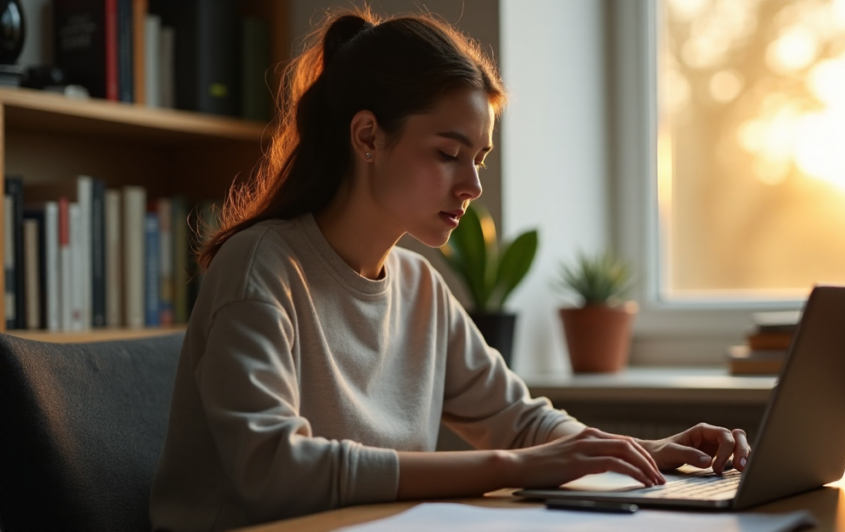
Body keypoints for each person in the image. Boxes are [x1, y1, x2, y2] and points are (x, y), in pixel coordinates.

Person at [149, 7, 751, 531]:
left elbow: (517, 423)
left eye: (479, 158)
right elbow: (272, 474)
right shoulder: (261, 270)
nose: (472, 185)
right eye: (447, 154)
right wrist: (511, 470)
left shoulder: (419, 288)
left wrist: (650, 452)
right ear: (367, 137)